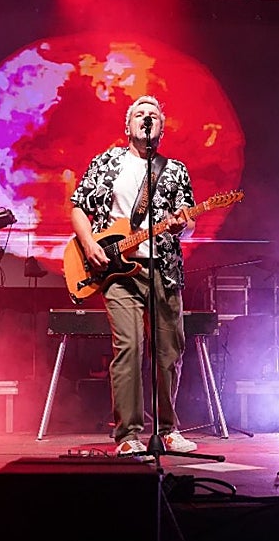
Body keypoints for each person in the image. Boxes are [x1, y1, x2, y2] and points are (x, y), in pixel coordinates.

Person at [69, 94, 198, 457]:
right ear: (128, 126)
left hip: (164, 271)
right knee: (128, 348)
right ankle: (128, 434)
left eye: (153, 115)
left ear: (162, 126)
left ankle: (168, 429)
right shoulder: (108, 162)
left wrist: (181, 226)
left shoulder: (174, 170)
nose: (146, 119)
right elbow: (79, 205)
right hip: (118, 272)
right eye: (139, 114)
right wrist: (89, 243)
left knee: (169, 351)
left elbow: (186, 222)